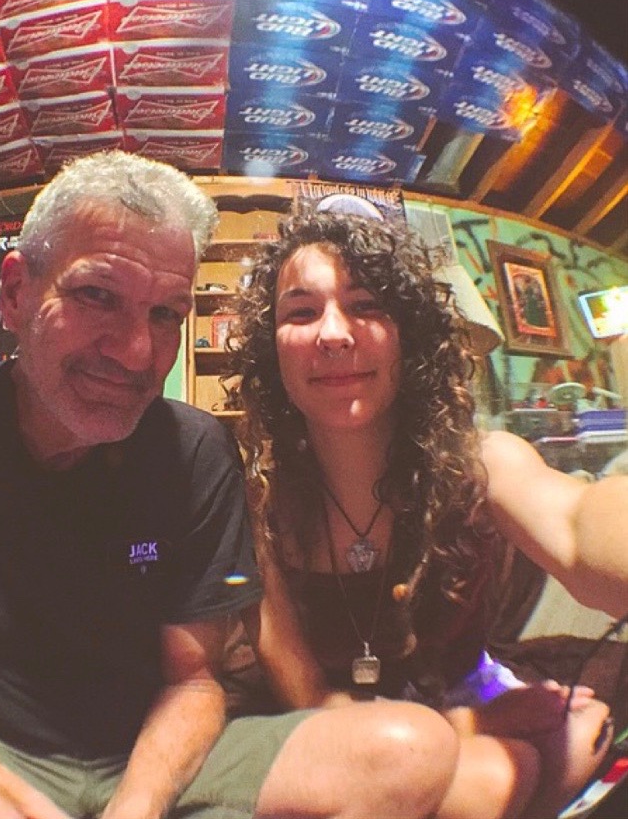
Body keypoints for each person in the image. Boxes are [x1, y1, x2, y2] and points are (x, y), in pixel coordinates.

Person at [0, 153, 462, 819]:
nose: (137, 352)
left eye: (166, 315)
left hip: (157, 760)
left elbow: (193, 681)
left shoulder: (197, 452)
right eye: (97, 296)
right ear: (16, 293)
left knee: (414, 748)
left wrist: (137, 807)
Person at [226, 211, 627, 819]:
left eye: (365, 305)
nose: (333, 333)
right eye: (301, 312)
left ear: (408, 334)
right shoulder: (256, 504)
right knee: (492, 777)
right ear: (269, 350)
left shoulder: (483, 463)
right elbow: (309, 700)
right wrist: (469, 725)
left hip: (455, 699)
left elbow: (578, 524)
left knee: (581, 733)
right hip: (333, 731)